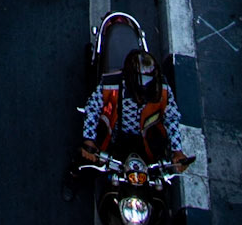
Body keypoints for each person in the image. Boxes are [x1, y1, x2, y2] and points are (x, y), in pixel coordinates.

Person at [64, 48, 194, 198]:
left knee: (160, 184)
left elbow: (171, 118)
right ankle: (73, 175)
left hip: (146, 142)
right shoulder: (110, 84)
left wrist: (177, 151)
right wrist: (89, 141)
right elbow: (92, 109)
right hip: (115, 138)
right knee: (85, 159)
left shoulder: (163, 90)